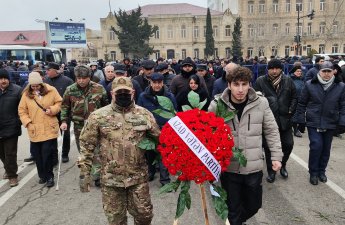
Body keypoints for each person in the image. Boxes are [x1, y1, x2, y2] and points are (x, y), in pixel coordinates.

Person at [78, 77, 160, 225]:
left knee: (144, 216)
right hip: (111, 180)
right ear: (112, 94)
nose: (123, 94)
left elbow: (160, 141)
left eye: (126, 92)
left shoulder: (144, 115)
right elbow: (86, 145)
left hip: (138, 178)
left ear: (133, 93)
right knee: (116, 220)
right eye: (119, 92)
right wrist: (85, 173)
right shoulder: (98, 116)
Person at [208, 66, 283, 225]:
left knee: (254, 205)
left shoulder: (261, 103)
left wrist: (276, 156)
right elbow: (208, 134)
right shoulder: (217, 105)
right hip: (230, 168)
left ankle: (236, 221)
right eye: (236, 84)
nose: (240, 89)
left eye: (244, 84)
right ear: (229, 85)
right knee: (233, 208)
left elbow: (271, 130)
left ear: (250, 84)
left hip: (253, 166)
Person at [295, 61, 345, 185]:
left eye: (329, 71)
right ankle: (313, 172)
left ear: (333, 71)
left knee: (326, 149)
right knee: (316, 146)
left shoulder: (340, 86)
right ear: (319, 72)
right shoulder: (309, 84)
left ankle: (322, 171)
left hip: (331, 121)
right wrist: (300, 120)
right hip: (314, 121)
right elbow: (302, 103)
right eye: (324, 71)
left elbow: (343, 105)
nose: (327, 74)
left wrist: (342, 122)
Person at [60, 65, 108, 187]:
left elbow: (106, 106)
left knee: (97, 150)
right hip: (79, 126)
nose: (81, 80)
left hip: (96, 125)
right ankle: (87, 173)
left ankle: (97, 176)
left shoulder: (99, 88)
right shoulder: (70, 90)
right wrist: (64, 121)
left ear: (89, 77)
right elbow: (65, 106)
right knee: (84, 151)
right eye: (78, 78)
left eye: (84, 78)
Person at [254, 59, 297, 183]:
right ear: (268, 69)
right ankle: (271, 171)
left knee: (288, 144)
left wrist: (290, 110)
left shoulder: (288, 80)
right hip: (268, 121)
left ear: (281, 69)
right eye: (272, 68)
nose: (274, 71)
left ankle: (282, 165)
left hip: (285, 120)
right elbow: (255, 99)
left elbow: (294, 97)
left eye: (277, 68)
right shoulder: (260, 81)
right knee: (268, 148)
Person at [18, 72, 62, 188]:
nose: (35, 88)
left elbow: (59, 103)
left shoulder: (51, 90)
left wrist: (52, 109)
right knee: (38, 155)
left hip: (49, 127)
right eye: (33, 86)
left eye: (37, 85)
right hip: (35, 128)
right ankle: (42, 175)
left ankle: (50, 176)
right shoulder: (26, 95)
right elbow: (22, 111)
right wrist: (27, 122)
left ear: (41, 83)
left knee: (47, 154)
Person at [137, 73, 177, 185]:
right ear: (150, 83)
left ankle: (164, 178)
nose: (157, 85)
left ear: (163, 83)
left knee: (164, 154)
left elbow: (174, 113)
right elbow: (139, 113)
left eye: (159, 83)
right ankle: (150, 172)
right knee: (150, 153)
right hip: (149, 130)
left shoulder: (169, 96)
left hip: (165, 130)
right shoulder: (143, 96)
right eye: (154, 83)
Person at [44, 62, 74, 163]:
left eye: (49, 70)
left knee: (65, 134)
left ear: (55, 70)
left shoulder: (67, 81)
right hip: (50, 113)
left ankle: (65, 154)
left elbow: (72, 97)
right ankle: (54, 156)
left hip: (64, 112)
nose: (46, 71)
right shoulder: (45, 81)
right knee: (51, 135)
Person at [0, 69, 22, 187]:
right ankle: (8, 169)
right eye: (1, 78)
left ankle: (12, 176)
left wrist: (17, 121)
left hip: (11, 128)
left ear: (8, 79)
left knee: (10, 154)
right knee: (2, 154)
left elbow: (23, 108)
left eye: (5, 78)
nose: (3, 81)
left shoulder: (17, 90)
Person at [289, 65, 305, 138]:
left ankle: (297, 128)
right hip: (292, 100)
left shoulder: (302, 79)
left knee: (300, 115)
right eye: (297, 71)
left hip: (301, 100)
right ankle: (295, 130)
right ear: (293, 72)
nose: (299, 73)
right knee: (294, 115)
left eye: (300, 71)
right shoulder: (289, 79)